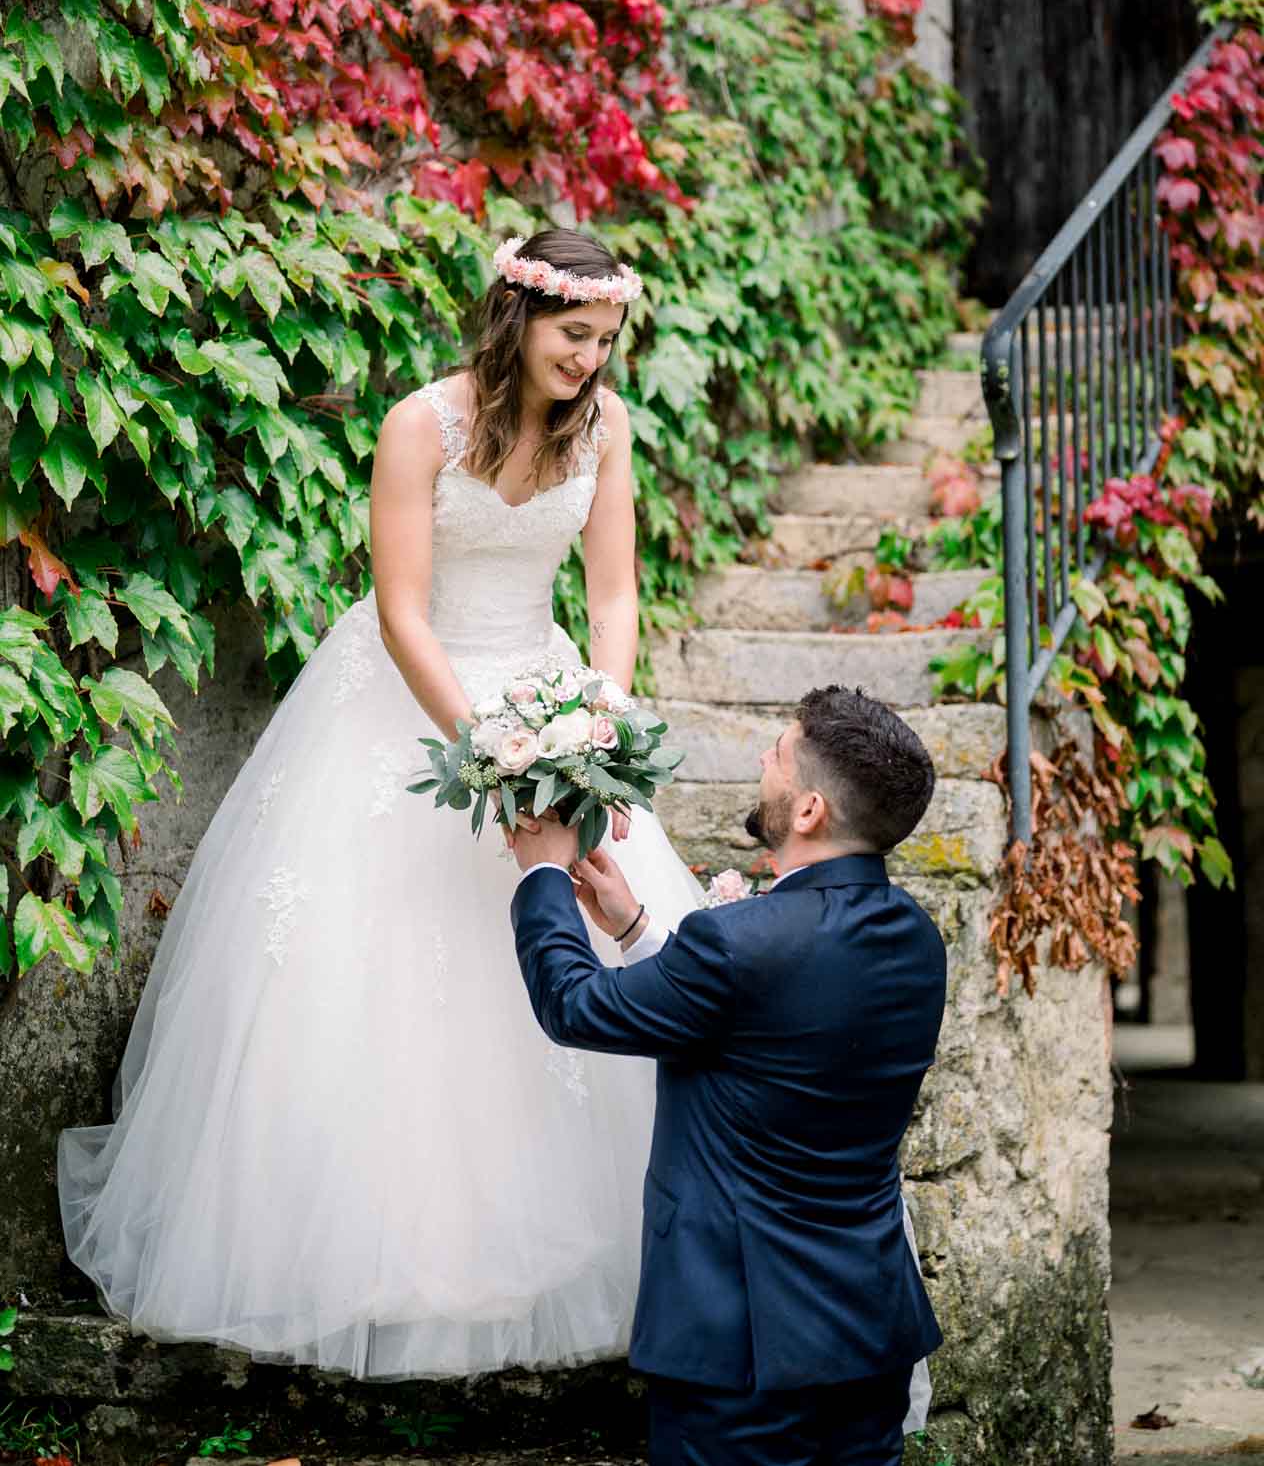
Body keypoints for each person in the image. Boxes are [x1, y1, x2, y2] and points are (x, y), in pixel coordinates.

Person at [58, 228, 703, 1379]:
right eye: (572, 336)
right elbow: (402, 608)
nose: (589, 361)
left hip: (548, 689)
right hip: (418, 698)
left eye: (605, 342)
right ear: (516, 316)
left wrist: (593, 716)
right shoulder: (422, 425)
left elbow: (614, 589)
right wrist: (488, 750)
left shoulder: (606, 428)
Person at [510, 683, 947, 1466]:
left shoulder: (734, 943)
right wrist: (639, 929)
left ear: (809, 810)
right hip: (868, 1338)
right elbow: (763, 1036)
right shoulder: (917, 940)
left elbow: (574, 1006)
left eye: (777, 755)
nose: (761, 762)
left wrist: (542, 875)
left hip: (738, 1356)